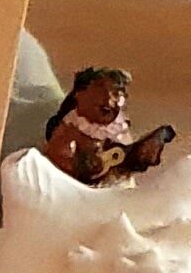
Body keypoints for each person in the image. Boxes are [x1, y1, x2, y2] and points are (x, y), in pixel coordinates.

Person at [39, 64, 176, 186]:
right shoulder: (71, 129)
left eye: (117, 94)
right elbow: (56, 159)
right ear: (80, 95)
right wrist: (80, 166)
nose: (110, 100)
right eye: (100, 89)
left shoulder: (118, 130)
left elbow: (122, 158)